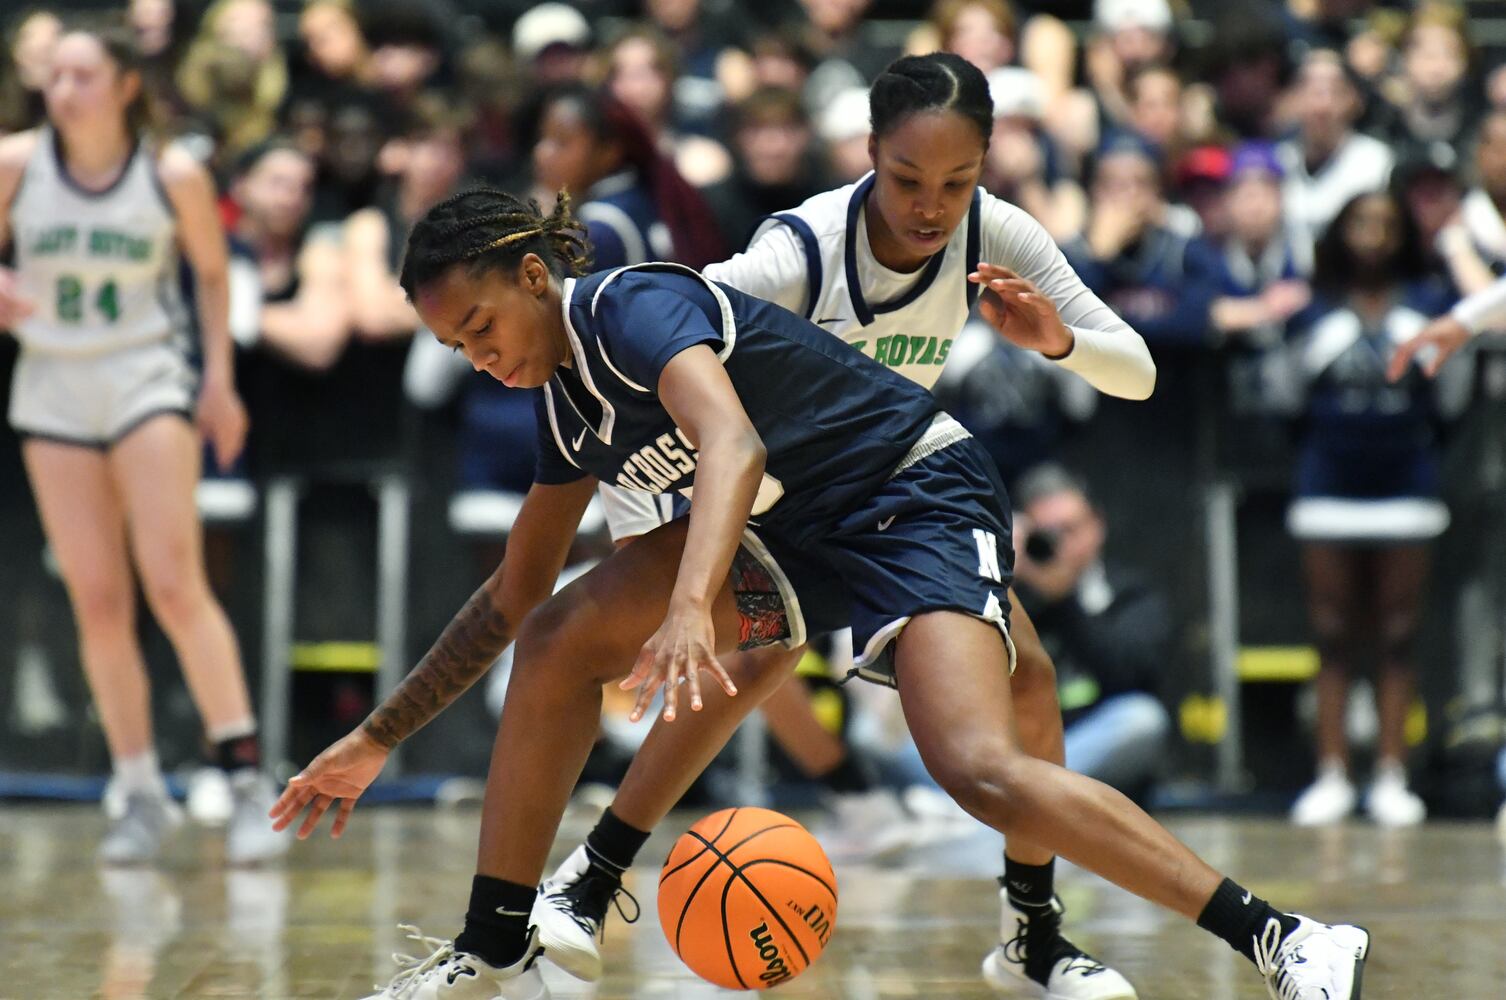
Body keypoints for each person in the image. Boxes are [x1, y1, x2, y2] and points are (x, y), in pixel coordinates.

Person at [271, 188, 1372, 1000]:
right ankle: (497, 935)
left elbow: (733, 444)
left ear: (528, 277)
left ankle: (1284, 938)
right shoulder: (568, 408)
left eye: (479, 329)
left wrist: (692, 604)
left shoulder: (627, 307)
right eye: (453, 347)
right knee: (560, 631)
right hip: (795, 533)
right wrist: (376, 737)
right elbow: (508, 598)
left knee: (979, 766)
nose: (478, 358)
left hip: (911, 496)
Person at [535, 53, 1151, 1000]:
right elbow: (663, 347)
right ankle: (588, 879)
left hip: (887, 495)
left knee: (1027, 677)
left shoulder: (995, 232)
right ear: (868, 152)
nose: (931, 206)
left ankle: (1031, 934)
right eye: (907, 179)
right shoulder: (799, 250)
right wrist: (648, 541)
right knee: (755, 656)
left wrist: (1058, 342)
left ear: (985, 167)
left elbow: (1137, 371)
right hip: (771, 492)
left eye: (956, 181)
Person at [0, 25, 286, 864]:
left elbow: (213, 274)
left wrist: (219, 382)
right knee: (96, 599)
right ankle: (138, 789)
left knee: (173, 583)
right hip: (52, 383)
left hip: (144, 378)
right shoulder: (16, 163)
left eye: (83, 74)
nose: (64, 90)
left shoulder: (171, 173)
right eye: (56, 76)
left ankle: (243, 776)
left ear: (126, 84)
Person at [1286, 190, 1468, 828]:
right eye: (1361, 223)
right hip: (1328, 488)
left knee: (1397, 635)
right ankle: (1332, 773)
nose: (1373, 236)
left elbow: (1451, 402)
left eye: (1386, 225)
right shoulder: (1313, 311)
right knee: (1331, 634)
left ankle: (1392, 774)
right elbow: (1283, 400)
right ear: (1340, 232)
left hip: (1404, 487)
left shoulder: (1426, 307)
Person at [1011, 465, 1172, 801]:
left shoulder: (1131, 594)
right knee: (899, 746)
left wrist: (1063, 600)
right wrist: (1002, 582)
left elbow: (1132, 676)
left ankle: (1017, 795)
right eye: (1045, 534)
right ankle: (1016, 792)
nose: (1059, 545)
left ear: (1096, 526)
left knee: (1143, 720)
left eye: (1068, 530)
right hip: (1017, 746)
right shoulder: (1010, 598)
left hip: (1093, 750)